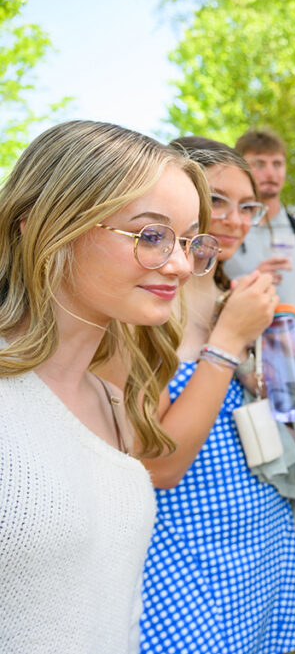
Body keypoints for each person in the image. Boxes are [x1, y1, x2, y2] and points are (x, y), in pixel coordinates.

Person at [0, 120, 212, 652]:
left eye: (189, 241)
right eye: (151, 235)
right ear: (46, 226)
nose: (182, 264)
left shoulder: (112, 400)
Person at [134, 137, 295, 653]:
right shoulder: (145, 310)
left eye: (248, 206)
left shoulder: (238, 296)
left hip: (263, 536)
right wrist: (228, 343)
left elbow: (288, 409)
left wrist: (269, 365)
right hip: (184, 555)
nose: (234, 220)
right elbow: (159, 466)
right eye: (217, 200)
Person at [222, 128, 295, 307]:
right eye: (259, 164)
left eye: (277, 164)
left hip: (289, 332)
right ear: (240, 169)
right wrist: (252, 280)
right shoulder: (223, 226)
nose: (270, 173)